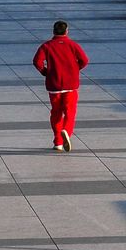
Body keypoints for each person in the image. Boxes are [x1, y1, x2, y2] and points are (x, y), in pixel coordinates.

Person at [33, 20, 89, 152]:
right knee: (70, 112)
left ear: (53, 31)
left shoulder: (46, 46)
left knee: (56, 113)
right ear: (67, 31)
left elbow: (37, 62)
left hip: (54, 85)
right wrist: (75, 70)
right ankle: (66, 131)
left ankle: (57, 142)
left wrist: (46, 72)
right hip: (71, 84)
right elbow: (84, 60)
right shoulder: (72, 45)